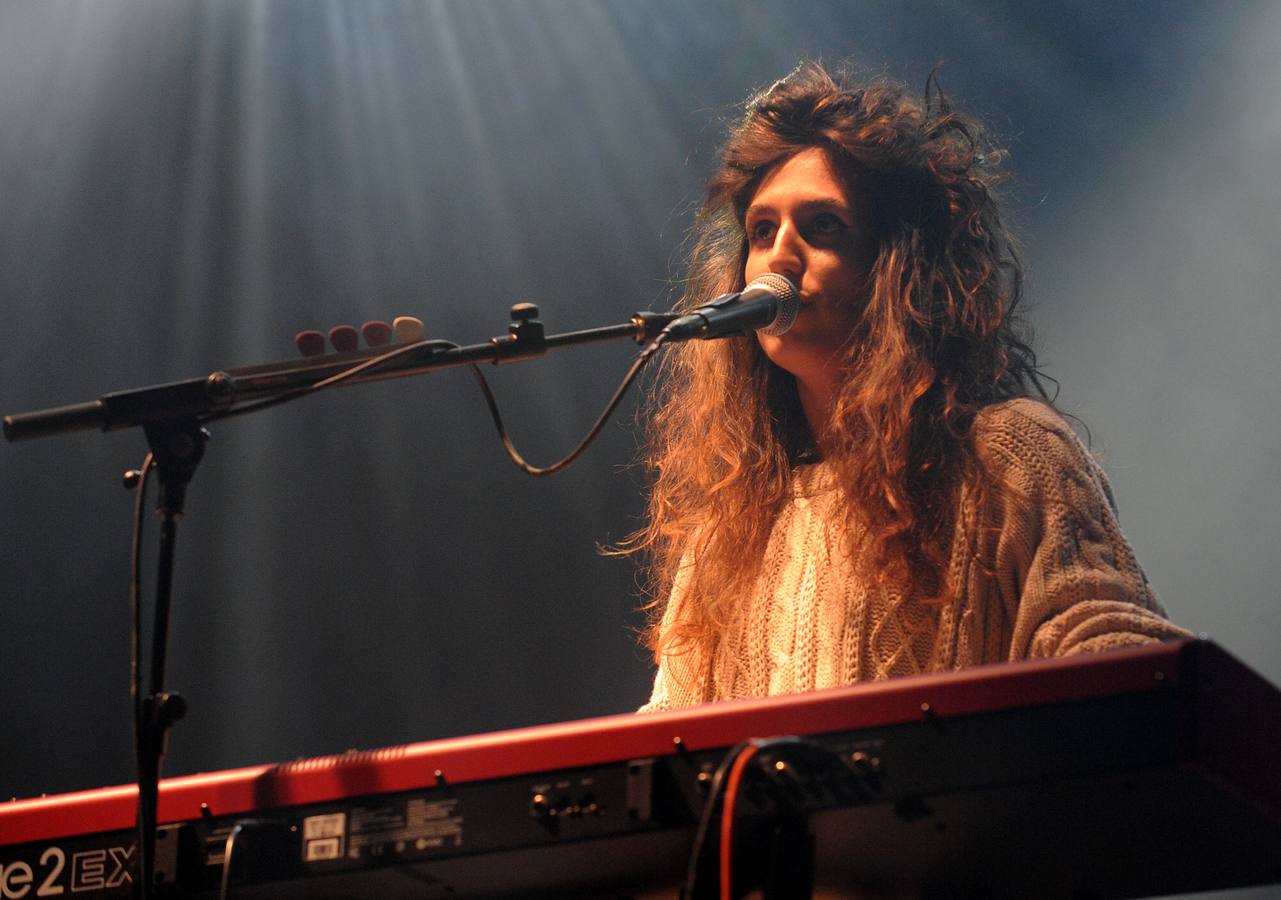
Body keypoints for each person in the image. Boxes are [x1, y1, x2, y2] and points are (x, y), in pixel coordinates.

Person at [629, 62, 1189, 713]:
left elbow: (1122, 664)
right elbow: (669, 738)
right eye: (761, 230)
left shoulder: (1007, 456)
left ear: (897, 269)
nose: (778, 256)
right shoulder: (729, 524)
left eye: (821, 226)